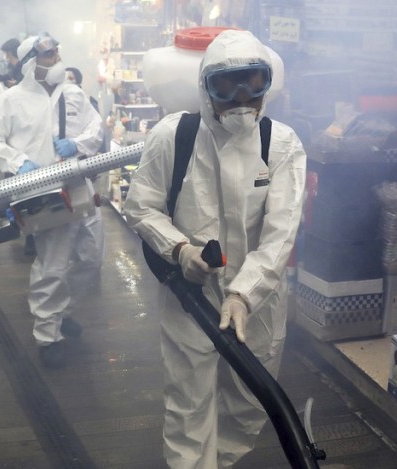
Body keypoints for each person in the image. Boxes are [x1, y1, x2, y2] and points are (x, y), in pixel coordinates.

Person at [124, 30, 305, 468]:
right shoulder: (174, 136)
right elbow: (141, 206)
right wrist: (180, 249)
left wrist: (244, 293)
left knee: (249, 405)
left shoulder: (281, 144)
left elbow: (281, 232)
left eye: (253, 83)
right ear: (206, 87)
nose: (241, 99)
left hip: (258, 301)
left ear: (268, 84)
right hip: (191, 296)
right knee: (188, 408)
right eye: (226, 86)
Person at [0, 33, 105, 368]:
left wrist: (78, 145)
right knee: (52, 265)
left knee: (92, 256)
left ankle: (61, 312)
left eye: (57, 52)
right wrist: (17, 162)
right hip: (42, 195)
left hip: (78, 186)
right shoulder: (11, 100)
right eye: (49, 55)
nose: (56, 58)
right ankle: (48, 335)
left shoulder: (73, 94)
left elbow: (96, 128)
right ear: (31, 62)